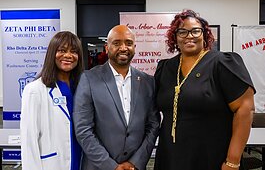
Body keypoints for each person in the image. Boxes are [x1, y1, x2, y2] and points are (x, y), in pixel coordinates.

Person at [153, 9, 255, 170]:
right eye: (182, 32)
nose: (189, 36)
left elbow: (245, 109)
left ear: (205, 34)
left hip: (211, 155)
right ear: (175, 37)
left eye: (195, 31)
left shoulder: (222, 63)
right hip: (171, 155)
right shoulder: (165, 68)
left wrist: (232, 161)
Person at [73, 25, 160, 170]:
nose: (123, 48)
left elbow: (153, 125)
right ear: (107, 48)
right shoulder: (89, 79)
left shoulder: (147, 82)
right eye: (117, 43)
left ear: (135, 47)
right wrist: (111, 166)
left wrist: (135, 162)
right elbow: (83, 129)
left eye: (128, 43)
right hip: (98, 166)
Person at [20, 31, 84, 170]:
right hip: (52, 163)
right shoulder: (35, 90)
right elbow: (29, 140)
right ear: (51, 54)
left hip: (80, 159)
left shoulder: (81, 87)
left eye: (74, 51)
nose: (68, 55)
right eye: (62, 50)